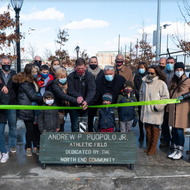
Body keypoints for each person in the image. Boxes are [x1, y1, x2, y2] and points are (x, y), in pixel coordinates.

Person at [13, 64, 43, 157]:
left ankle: (35, 147)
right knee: (30, 129)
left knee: (35, 129)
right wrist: (43, 98)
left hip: (33, 109)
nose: (36, 73)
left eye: (36, 72)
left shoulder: (33, 81)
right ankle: (29, 147)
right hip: (27, 109)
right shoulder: (25, 83)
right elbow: (33, 96)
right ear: (29, 72)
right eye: (34, 72)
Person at [139, 65, 169, 155]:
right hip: (146, 110)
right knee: (148, 129)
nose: (150, 74)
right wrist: (142, 102)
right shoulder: (144, 82)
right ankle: (149, 146)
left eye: (152, 73)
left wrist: (158, 106)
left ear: (156, 73)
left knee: (155, 129)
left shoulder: (161, 83)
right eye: (148, 73)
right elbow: (141, 93)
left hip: (155, 111)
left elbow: (165, 97)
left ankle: (153, 147)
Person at [167, 62, 190, 160]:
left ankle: (180, 151)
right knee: (174, 130)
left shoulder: (188, 81)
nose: (179, 72)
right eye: (177, 70)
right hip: (173, 108)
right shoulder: (172, 81)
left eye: (181, 70)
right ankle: (175, 149)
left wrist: (184, 96)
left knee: (180, 131)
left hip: (183, 109)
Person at [67, 58, 96, 132]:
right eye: (79, 68)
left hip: (85, 105)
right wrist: (78, 96)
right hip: (74, 105)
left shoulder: (89, 76)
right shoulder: (71, 76)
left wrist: (86, 101)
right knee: (75, 126)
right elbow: (70, 90)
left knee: (84, 127)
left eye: (82, 68)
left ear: (85, 67)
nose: (81, 70)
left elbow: (91, 90)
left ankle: (82, 142)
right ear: (75, 67)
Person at [48, 67, 79, 131]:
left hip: (69, 106)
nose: (63, 79)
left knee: (75, 125)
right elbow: (62, 95)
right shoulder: (54, 84)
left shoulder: (69, 82)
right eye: (61, 77)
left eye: (64, 77)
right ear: (57, 77)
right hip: (60, 108)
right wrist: (76, 101)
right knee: (60, 126)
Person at [0, 56, 17, 153]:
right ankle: (2, 146)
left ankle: (12, 144)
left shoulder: (14, 74)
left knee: (12, 125)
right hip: (1, 103)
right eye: (4, 62)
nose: (6, 64)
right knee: (1, 127)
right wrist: (3, 86)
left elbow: (17, 86)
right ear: (1, 64)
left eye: (8, 62)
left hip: (12, 103)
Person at [159, 57, 175, 148]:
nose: (170, 64)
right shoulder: (163, 74)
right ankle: (166, 139)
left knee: (173, 122)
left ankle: (173, 141)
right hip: (164, 100)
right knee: (164, 122)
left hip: (173, 101)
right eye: (168, 62)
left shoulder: (176, 74)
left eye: (171, 62)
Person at [87, 56, 104, 132]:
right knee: (89, 118)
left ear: (97, 63)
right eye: (91, 62)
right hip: (89, 100)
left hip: (99, 100)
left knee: (100, 118)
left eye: (94, 62)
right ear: (89, 63)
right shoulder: (86, 73)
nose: (93, 64)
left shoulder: (102, 73)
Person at [134, 61, 148, 141]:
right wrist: (138, 93)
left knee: (146, 118)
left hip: (147, 99)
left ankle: (147, 134)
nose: (141, 69)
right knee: (140, 118)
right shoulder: (137, 76)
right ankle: (141, 133)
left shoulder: (148, 76)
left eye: (142, 68)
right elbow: (135, 86)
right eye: (139, 68)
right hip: (138, 99)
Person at [0, 90, 10, 163]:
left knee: (0, 134)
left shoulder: (3, 90)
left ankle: (5, 152)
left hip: (1, 116)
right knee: (1, 135)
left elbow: (5, 103)